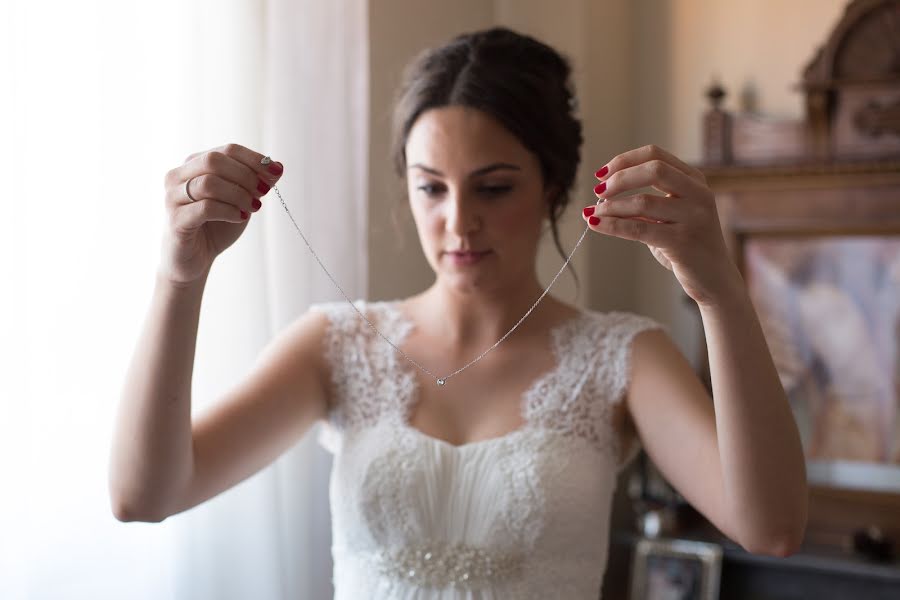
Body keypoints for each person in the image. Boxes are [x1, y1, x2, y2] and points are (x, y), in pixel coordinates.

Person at [109, 27, 808, 599]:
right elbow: (143, 494)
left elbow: (770, 526)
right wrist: (181, 276)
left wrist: (719, 290)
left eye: (494, 188)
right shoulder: (335, 344)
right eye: (431, 188)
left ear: (556, 187)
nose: (458, 223)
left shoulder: (623, 356)